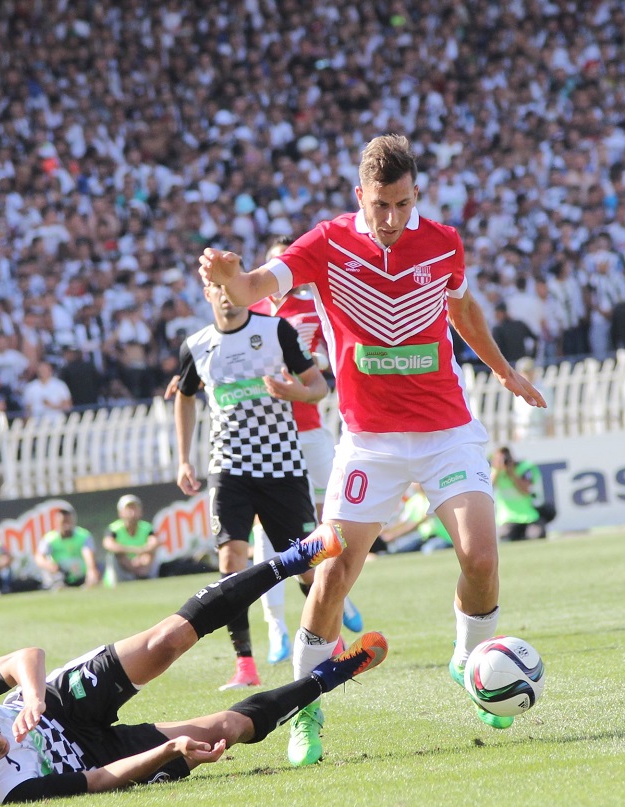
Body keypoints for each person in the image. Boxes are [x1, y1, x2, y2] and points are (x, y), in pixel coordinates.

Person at [198, 133, 546, 765]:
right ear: (360, 194)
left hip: (447, 432)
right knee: (332, 576)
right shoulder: (326, 242)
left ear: (417, 195)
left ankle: (471, 664)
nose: (391, 220)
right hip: (370, 443)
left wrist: (500, 370)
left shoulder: (441, 241)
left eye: (404, 204)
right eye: (381, 205)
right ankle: (306, 707)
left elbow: (462, 309)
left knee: (481, 557)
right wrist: (231, 280)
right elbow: (255, 287)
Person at [0, 524, 388, 805]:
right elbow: (99, 780)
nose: (2, 740)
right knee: (226, 729)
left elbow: (25, 658)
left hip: (60, 704)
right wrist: (167, 753)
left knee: (166, 641)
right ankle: (330, 675)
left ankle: (292, 558)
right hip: (95, 757)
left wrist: (36, 697)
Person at [175, 280, 329, 691]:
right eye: (216, 288)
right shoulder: (197, 345)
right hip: (230, 467)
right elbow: (185, 396)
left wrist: (296, 391)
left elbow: (319, 386)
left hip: (282, 464)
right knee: (231, 563)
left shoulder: (276, 330)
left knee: (305, 566)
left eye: (232, 286)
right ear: (207, 294)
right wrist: (185, 458)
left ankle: (325, 638)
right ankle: (245, 664)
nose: (225, 295)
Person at [248, 236, 364, 664]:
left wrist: (306, 374)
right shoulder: (251, 313)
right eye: (273, 266)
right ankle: (275, 626)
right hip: (266, 435)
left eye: (287, 266)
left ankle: (336, 592)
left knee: (332, 517)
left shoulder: (310, 310)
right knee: (265, 529)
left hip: (310, 428)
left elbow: (331, 367)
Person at [490, 446, 556, 541]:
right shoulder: (495, 472)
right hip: (508, 519)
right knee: (506, 538)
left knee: (537, 536)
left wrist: (512, 473)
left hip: (530, 516)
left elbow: (525, 490)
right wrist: (496, 469)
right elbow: (488, 488)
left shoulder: (523, 468)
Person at [34, 503, 101, 589]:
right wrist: (50, 565)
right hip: (61, 575)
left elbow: (88, 554)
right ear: (56, 522)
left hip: (81, 574)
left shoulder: (83, 535)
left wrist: (91, 570)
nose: (66, 525)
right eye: (63, 522)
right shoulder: (50, 539)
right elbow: (39, 557)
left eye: (68, 521)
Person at [102, 494, 161, 586]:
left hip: (142, 563)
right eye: (128, 509)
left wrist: (141, 555)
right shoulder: (114, 529)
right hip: (123, 567)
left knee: (151, 554)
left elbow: (154, 543)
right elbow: (108, 544)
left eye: (135, 508)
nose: (132, 512)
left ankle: (146, 579)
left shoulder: (147, 528)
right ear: (120, 512)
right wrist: (133, 551)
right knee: (117, 555)